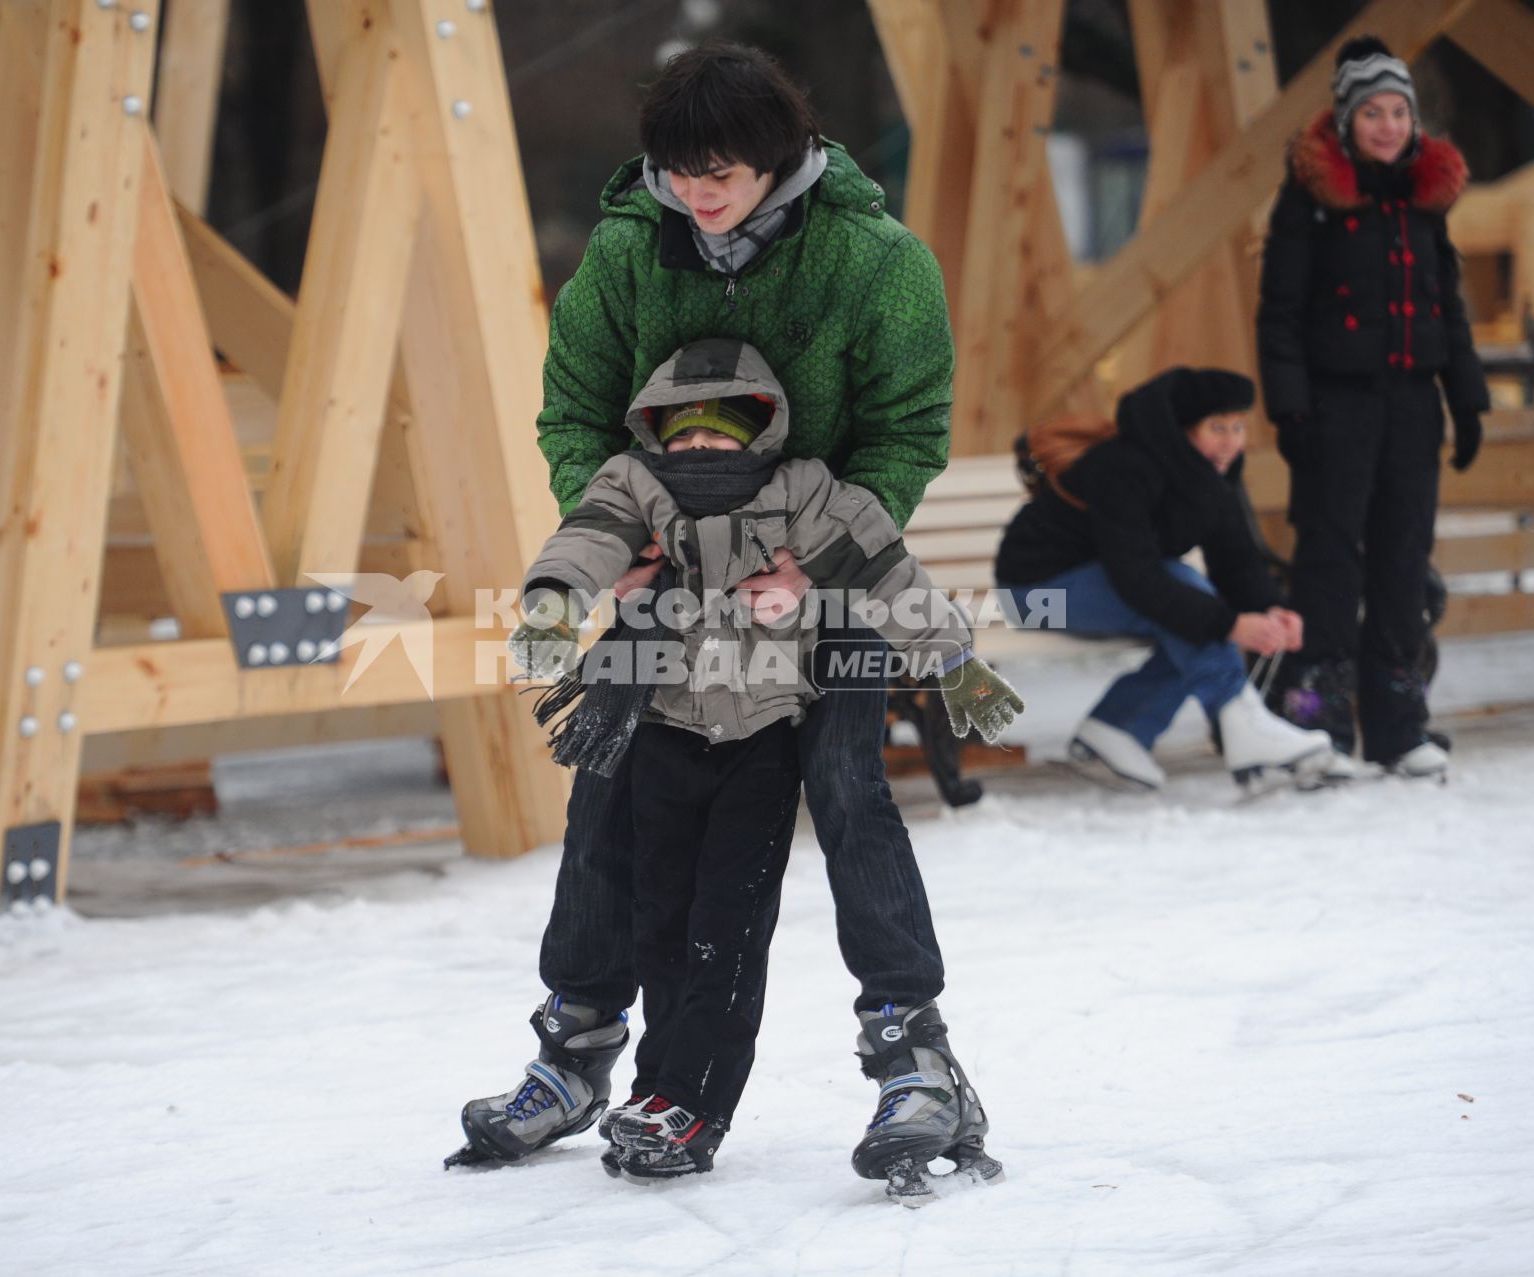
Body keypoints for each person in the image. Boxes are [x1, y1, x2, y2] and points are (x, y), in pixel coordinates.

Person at [452, 42, 996, 1193]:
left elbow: (909, 427)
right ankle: (577, 1048)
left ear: (779, 161)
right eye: (678, 174)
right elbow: (576, 412)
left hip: (821, 561)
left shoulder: (874, 258)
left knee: (848, 789)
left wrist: (817, 558)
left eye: (723, 178)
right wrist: (623, 538)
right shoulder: (627, 247)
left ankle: (917, 1057)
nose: (698, 199)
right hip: (669, 571)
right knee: (604, 796)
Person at [476, 339, 1020, 1182]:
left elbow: (884, 568)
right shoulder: (635, 483)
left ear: (763, 429)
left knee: (729, 923)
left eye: (720, 434)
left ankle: (722, 1095)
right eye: (681, 435)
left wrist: (953, 658)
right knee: (654, 906)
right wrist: (553, 604)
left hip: (763, 734)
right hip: (661, 720)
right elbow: (586, 537)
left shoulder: (804, 490)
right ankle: (623, 1076)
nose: (698, 449)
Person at [1256, 35, 1490, 779]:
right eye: (1374, 113)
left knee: (1402, 556)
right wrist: (1290, 411)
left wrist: (1468, 398)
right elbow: (1280, 313)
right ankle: (1318, 727)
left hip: (1412, 408)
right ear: (1348, 119)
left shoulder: (1424, 203)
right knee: (1329, 562)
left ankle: (1397, 725)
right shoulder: (1312, 201)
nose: (1388, 126)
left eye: (1399, 112)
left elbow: (1446, 306)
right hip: (1336, 407)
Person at [995, 368, 1336, 791]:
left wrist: (1269, 609)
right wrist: (1231, 624)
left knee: (1191, 609)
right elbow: (1137, 576)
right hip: (1033, 594)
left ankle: (1116, 729)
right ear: (1182, 431)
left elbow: (1236, 559)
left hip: (1104, 584)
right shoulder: (1124, 467)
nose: (1231, 441)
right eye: (1217, 428)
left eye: (1238, 427)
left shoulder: (1211, 473)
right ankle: (1240, 721)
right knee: (1186, 594)